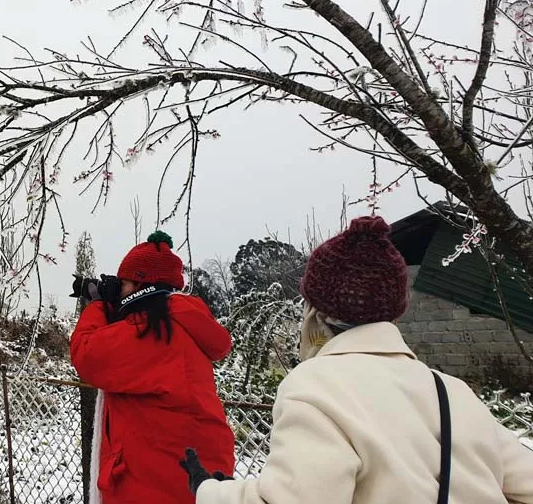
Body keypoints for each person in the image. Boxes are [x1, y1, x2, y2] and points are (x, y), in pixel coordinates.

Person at [181, 215, 533, 504]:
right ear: (393, 313)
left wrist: (209, 491)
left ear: (316, 312)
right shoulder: (451, 391)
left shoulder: (316, 388)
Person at [71, 230, 235, 504]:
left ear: (139, 286)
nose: (119, 291)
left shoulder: (153, 331)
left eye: (123, 284)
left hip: (162, 482)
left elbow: (88, 356)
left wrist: (98, 305)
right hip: (185, 476)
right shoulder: (177, 323)